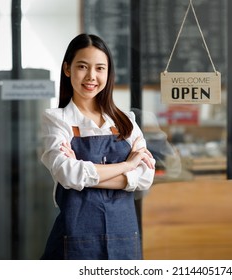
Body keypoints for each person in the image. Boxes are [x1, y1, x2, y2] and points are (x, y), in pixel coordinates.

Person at [40, 33, 156, 260]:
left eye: (100, 68)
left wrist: (85, 176)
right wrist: (127, 165)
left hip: (124, 237)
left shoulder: (126, 121)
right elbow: (68, 174)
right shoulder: (57, 119)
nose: (91, 76)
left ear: (108, 73)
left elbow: (145, 177)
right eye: (82, 66)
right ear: (67, 69)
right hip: (75, 239)